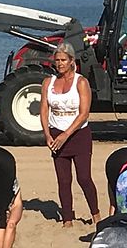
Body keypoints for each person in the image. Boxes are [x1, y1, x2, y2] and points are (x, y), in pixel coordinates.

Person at [40, 42, 100, 227]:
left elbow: (84, 114)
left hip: (78, 135)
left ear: (71, 61)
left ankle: (95, 214)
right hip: (56, 135)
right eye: (57, 60)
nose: (59, 64)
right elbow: (43, 109)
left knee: (84, 178)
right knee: (64, 180)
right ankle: (67, 218)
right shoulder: (48, 82)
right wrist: (48, 135)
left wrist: (66, 134)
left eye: (63, 60)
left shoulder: (81, 82)